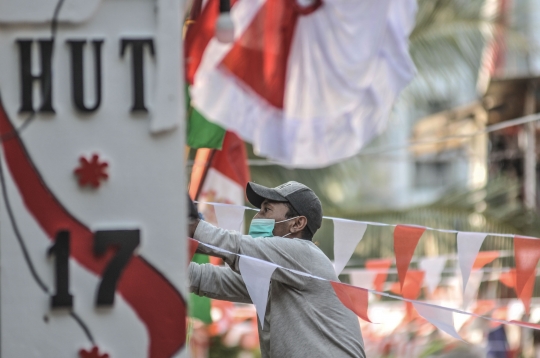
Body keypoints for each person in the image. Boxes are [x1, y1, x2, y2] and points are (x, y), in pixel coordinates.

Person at [188, 181, 366, 358]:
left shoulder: (304, 253)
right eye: (259, 210)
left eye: (267, 210)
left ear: (297, 223)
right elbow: (203, 278)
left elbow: (231, 246)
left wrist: (191, 224)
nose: (257, 218)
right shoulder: (271, 275)